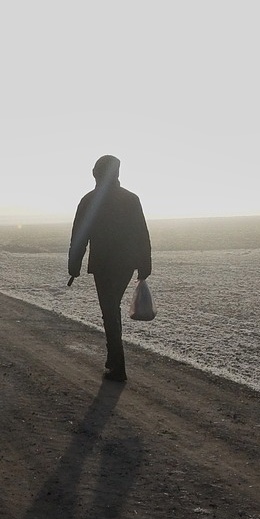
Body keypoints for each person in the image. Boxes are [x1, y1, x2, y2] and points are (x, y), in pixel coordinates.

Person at [68, 154, 152, 382]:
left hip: (104, 264)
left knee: (109, 310)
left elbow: (80, 235)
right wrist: (144, 264)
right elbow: (141, 234)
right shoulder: (131, 199)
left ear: (96, 173)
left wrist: (74, 265)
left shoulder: (89, 200)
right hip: (125, 264)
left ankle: (117, 365)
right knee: (111, 308)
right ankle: (113, 360)